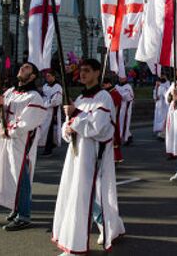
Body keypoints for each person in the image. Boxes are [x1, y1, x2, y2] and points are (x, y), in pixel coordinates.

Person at [52, 59, 125, 254]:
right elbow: (68, 129)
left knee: (83, 197)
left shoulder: (104, 97)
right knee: (79, 195)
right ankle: (112, 226)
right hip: (76, 156)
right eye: (81, 71)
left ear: (97, 73)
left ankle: (74, 248)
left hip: (92, 157)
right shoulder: (81, 98)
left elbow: (99, 128)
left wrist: (76, 115)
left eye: (87, 71)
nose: (82, 74)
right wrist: (68, 128)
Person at [0, 62, 49, 231]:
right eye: (22, 66)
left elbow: (29, 121)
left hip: (21, 141)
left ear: (33, 76)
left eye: (27, 68)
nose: (22, 68)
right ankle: (16, 207)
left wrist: (9, 129)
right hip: (6, 139)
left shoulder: (34, 96)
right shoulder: (10, 92)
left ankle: (24, 215)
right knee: (8, 173)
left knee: (21, 175)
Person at [41, 69, 63, 156]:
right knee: (45, 129)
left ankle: (48, 148)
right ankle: (48, 145)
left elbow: (56, 100)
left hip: (53, 111)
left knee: (50, 130)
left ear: (54, 76)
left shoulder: (58, 87)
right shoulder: (45, 86)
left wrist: (45, 104)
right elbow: (42, 96)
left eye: (49, 76)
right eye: (46, 76)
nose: (47, 77)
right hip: (44, 111)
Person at [102, 74, 124, 163]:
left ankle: (115, 158)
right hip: (107, 119)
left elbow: (111, 106)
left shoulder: (115, 94)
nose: (103, 87)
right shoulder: (109, 93)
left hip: (112, 120)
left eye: (104, 85)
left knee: (113, 139)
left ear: (108, 84)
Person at [115, 75, 134, 146]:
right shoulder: (116, 86)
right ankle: (128, 136)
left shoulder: (128, 86)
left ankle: (123, 138)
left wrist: (120, 96)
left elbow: (130, 97)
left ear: (125, 78)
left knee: (124, 122)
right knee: (118, 122)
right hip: (118, 106)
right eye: (119, 78)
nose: (120, 79)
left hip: (125, 107)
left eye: (122, 78)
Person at [152, 75, 170, 140]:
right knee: (158, 118)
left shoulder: (165, 85)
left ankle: (163, 133)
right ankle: (160, 132)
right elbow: (154, 95)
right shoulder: (158, 86)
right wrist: (155, 97)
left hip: (164, 105)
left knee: (163, 118)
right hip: (158, 105)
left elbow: (167, 95)